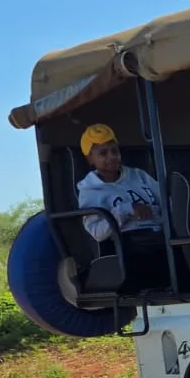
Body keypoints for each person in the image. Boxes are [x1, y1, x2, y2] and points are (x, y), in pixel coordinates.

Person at [74, 122, 170, 288]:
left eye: (114, 151)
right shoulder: (89, 191)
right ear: (90, 158)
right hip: (129, 244)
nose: (111, 157)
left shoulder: (138, 175)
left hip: (161, 233)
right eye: (103, 153)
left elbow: (166, 202)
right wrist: (126, 210)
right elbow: (97, 233)